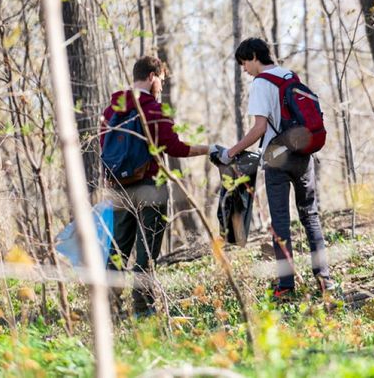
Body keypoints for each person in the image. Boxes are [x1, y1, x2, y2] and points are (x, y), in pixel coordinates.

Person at [215, 38, 332, 299]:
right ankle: (324, 280)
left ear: (255, 57)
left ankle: (286, 286)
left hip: (277, 159)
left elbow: (259, 129)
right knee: (310, 216)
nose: (244, 69)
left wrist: (231, 152)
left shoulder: (261, 84)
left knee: (280, 223)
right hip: (303, 154)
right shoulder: (290, 75)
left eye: (244, 62)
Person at [100, 55, 209, 316]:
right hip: (150, 185)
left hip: (118, 186)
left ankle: (107, 307)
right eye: (160, 79)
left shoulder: (111, 109)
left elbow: (104, 148)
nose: (160, 85)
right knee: (147, 246)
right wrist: (209, 149)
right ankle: (143, 308)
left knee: (118, 246)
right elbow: (174, 148)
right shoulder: (151, 107)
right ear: (151, 77)